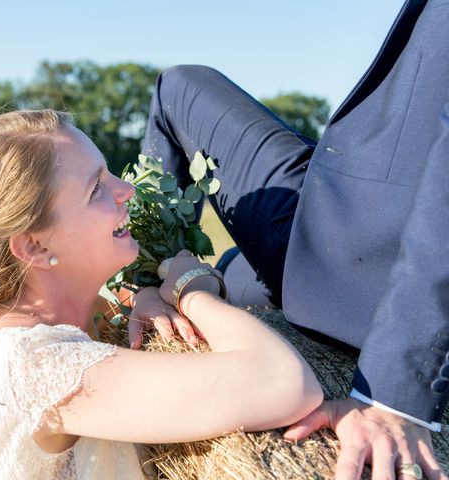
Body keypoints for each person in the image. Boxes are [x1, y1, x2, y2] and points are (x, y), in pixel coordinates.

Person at [0, 110, 322, 479]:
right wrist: (191, 288)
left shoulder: (34, 306)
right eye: (95, 190)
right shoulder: (29, 367)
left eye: (108, 172)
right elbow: (286, 384)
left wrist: (144, 297)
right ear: (34, 245)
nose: (125, 191)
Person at [133, 0, 449, 478]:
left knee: (178, 85)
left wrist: (395, 396)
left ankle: (150, 281)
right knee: (237, 270)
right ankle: (194, 279)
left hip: (352, 256)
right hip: (350, 200)